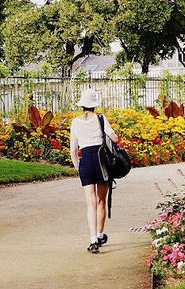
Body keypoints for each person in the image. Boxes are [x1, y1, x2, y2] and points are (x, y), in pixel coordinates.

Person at [70, 89, 119, 254]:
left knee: (90, 203)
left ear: (82, 105)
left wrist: (78, 166)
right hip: (100, 161)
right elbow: (114, 138)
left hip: (85, 162)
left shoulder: (75, 122)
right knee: (101, 201)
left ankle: (92, 241)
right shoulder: (100, 118)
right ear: (94, 105)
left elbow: (73, 149)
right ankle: (99, 235)